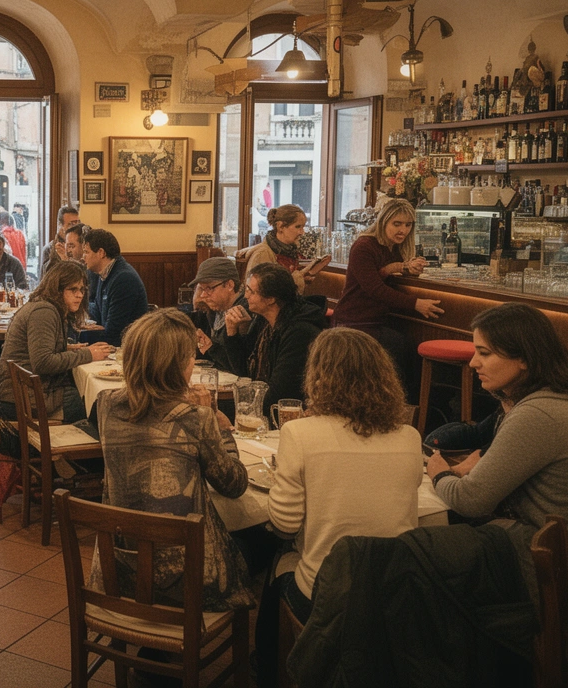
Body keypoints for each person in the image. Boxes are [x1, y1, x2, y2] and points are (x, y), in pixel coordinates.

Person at [427, 302, 568, 617]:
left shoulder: (538, 413)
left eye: (485, 353)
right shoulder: (562, 396)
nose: (473, 362)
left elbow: (470, 501)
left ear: (524, 358)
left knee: (433, 559)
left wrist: (438, 473)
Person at [257, 327, 423, 683]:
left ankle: (271, 671)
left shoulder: (300, 433)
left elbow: (285, 524)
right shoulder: (410, 437)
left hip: (328, 596)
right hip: (396, 596)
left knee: (276, 565)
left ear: (318, 377)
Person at [96, 308, 251, 616]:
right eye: (190, 357)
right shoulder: (196, 419)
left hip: (121, 570)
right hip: (185, 582)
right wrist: (220, 426)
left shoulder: (106, 405)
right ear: (177, 366)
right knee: (257, 543)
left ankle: (140, 641)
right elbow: (234, 485)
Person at [330, 198, 443, 392]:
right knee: (402, 352)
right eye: (397, 224)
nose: (403, 230)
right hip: (353, 322)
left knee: (406, 351)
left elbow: (381, 273)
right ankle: (400, 403)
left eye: (408, 225)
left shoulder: (394, 248)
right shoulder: (364, 246)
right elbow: (375, 289)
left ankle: (411, 404)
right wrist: (416, 303)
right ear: (383, 222)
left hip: (375, 321)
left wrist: (407, 268)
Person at [0, 260, 112, 425]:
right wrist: (88, 354)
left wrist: (67, 348)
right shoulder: (44, 312)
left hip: (23, 392)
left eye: (82, 289)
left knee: (85, 395)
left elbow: (35, 351)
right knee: (96, 405)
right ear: (57, 289)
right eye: (73, 289)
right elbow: (42, 362)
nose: (80, 295)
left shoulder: (46, 306)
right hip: (21, 400)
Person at [241, 262, 327, 409]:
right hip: (265, 403)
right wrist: (231, 335)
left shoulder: (300, 333)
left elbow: (280, 393)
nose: (245, 295)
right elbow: (243, 371)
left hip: (290, 412)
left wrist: (244, 408)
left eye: (251, 291)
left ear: (271, 299)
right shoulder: (264, 322)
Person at [187, 256, 255, 375]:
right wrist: (209, 347)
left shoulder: (245, 311)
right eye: (201, 288)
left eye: (209, 288)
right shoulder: (216, 308)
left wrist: (212, 348)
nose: (203, 295)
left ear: (229, 285)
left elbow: (240, 367)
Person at [82, 228, 147, 347]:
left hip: (128, 348)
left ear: (101, 253)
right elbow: (98, 315)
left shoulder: (123, 279)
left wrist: (102, 328)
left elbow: (114, 333)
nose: (83, 257)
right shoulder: (103, 273)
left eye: (86, 252)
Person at [235, 204, 317, 292]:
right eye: (297, 227)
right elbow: (260, 292)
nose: (302, 232)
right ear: (280, 226)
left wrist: (303, 279)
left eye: (303, 227)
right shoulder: (263, 254)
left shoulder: (289, 252)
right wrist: (295, 281)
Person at [40, 206, 81, 273]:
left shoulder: (83, 246)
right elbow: (47, 276)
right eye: (72, 224)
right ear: (60, 225)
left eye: (78, 223)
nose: (76, 228)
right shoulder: (50, 250)